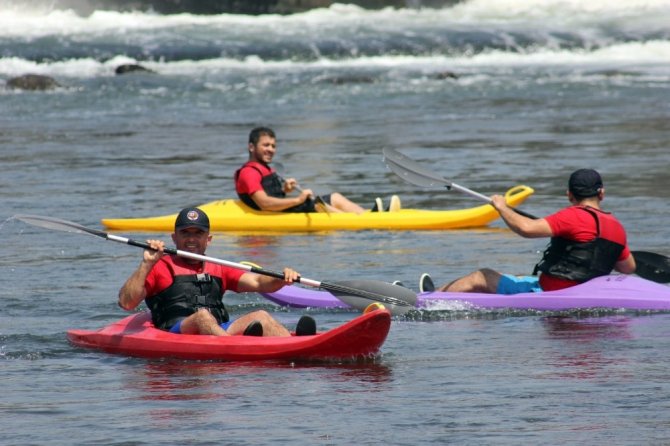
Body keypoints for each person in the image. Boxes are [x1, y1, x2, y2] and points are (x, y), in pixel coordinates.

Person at [419, 169, 636, 294]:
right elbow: (628, 267)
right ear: (602, 194)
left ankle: (429, 301)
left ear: (570, 195)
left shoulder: (572, 216)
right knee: (520, 277)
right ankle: (438, 292)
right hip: (582, 291)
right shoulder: (617, 227)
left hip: (552, 292)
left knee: (482, 276)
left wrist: (501, 207)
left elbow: (525, 228)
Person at [118, 206, 316, 337]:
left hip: (219, 330)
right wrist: (146, 264)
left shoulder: (218, 266)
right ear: (174, 238)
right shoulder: (160, 266)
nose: (191, 239)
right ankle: (236, 346)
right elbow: (127, 302)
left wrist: (282, 279)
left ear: (208, 239)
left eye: (198, 233)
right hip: (175, 332)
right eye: (185, 233)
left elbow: (258, 283)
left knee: (262, 316)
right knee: (202, 316)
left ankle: (298, 346)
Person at [235, 126, 401, 214]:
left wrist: (285, 190)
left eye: (273, 145)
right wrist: (298, 200)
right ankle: (367, 221)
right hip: (276, 213)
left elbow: (272, 195)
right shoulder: (249, 173)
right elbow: (265, 204)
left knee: (334, 197)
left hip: (288, 208)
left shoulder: (265, 169)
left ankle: (369, 215)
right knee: (321, 206)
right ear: (251, 147)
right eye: (266, 145)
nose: (271, 149)